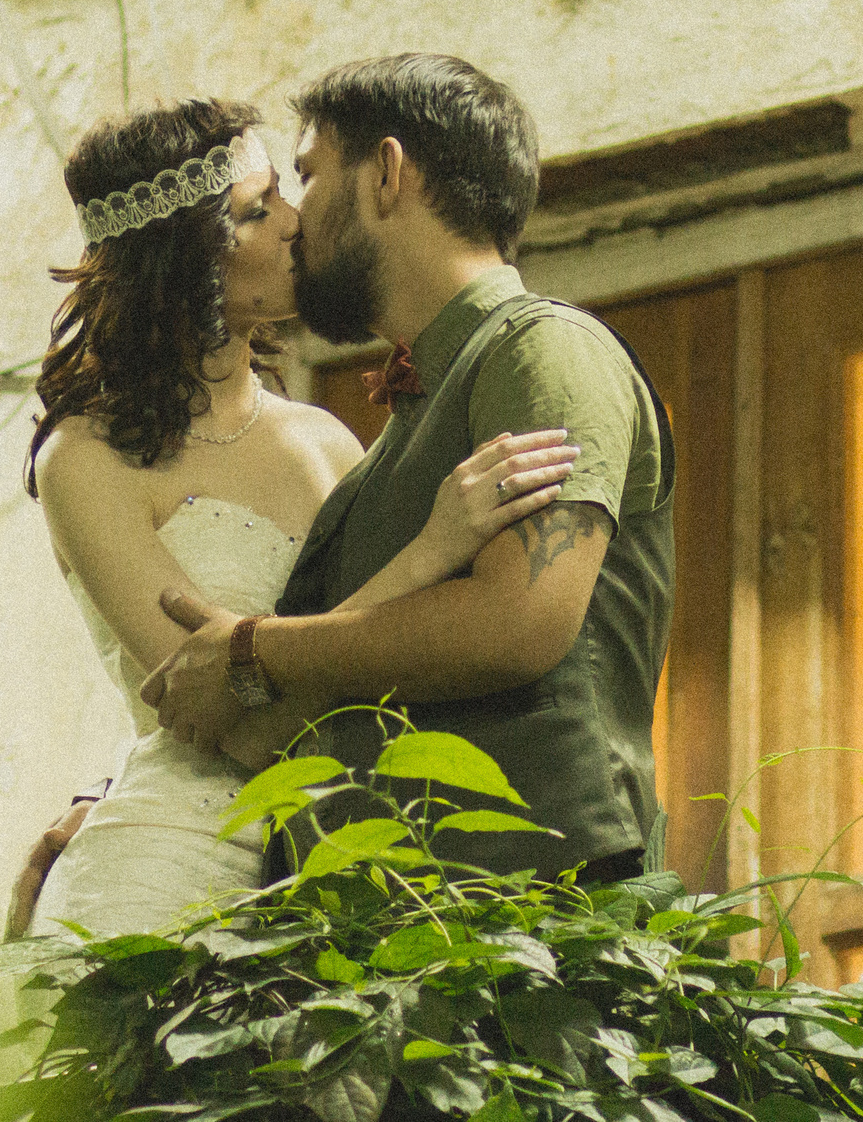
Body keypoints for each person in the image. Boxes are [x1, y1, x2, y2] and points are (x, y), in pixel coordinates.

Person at [11, 96, 579, 939]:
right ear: (184, 258)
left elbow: (379, 665)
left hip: (325, 880)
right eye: (256, 208)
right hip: (161, 872)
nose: (293, 221)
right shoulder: (86, 459)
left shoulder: (326, 438)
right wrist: (430, 549)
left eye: (284, 191)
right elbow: (230, 727)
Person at [140, 54, 675, 884]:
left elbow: (519, 621)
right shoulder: (393, 436)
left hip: (536, 920)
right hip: (393, 937)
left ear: (387, 173)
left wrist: (254, 650)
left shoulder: (540, 347)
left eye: (308, 177)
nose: (291, 220)